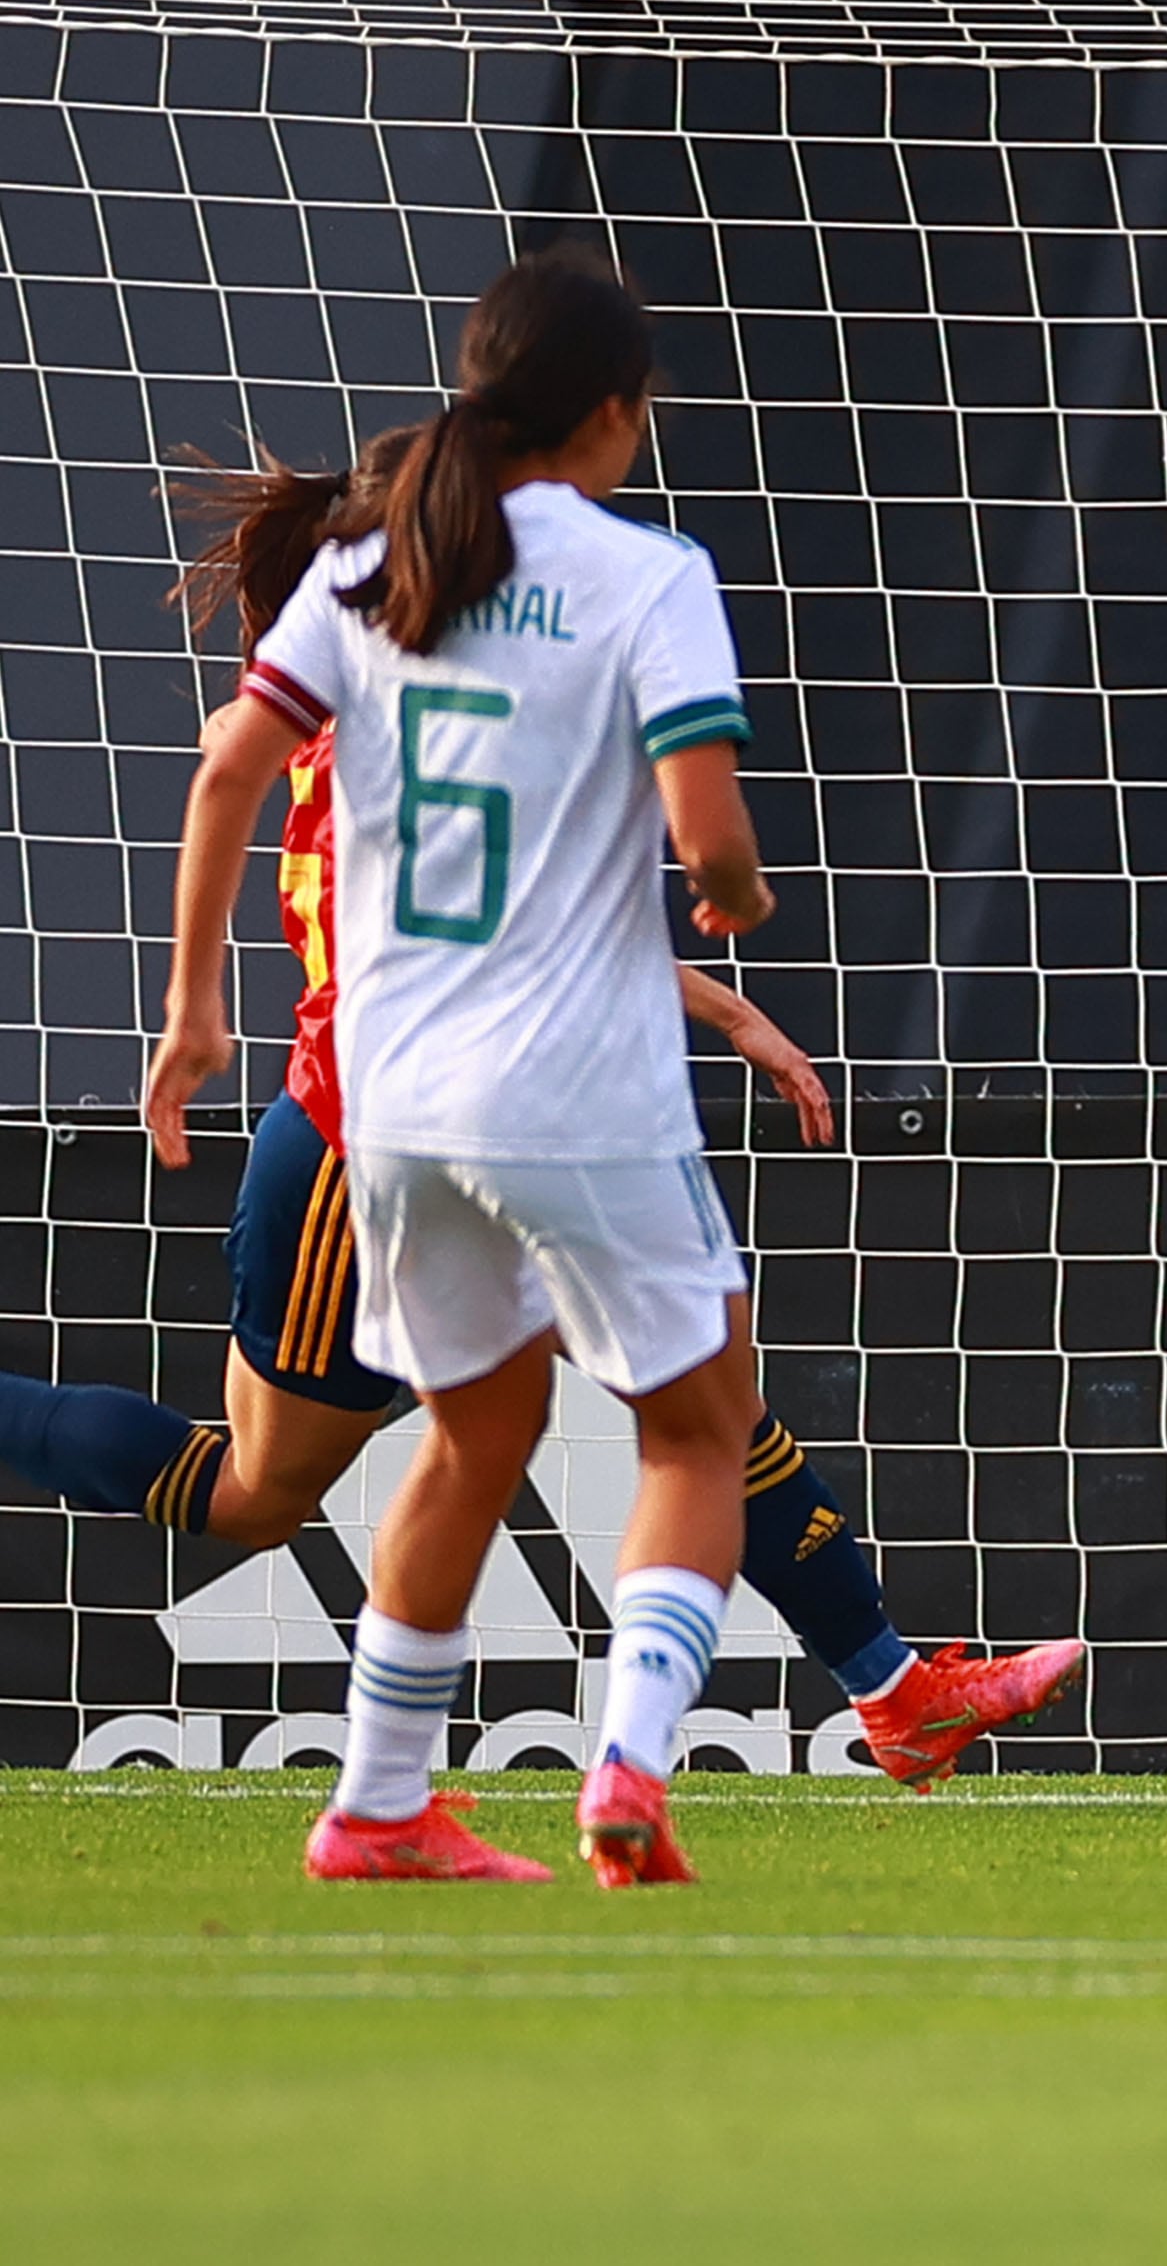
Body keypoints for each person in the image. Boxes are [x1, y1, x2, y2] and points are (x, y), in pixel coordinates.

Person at [6, 438, 1079, 1801]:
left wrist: (718, 1006)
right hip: (366, 1144)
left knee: (697, 1398)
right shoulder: (379, 711)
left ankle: (887, 1686)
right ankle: (810, 1704)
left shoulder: (389, 690)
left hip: (464, 1107)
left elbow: (511, 915)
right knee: (261, 1490)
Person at [144, 252, 785, 1882]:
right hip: (580, 1087)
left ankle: (374, 1802)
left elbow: (233, 763)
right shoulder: (648, 576)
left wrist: (195, 1003)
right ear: (616, 416)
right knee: (701, 1429)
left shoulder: (370, 558)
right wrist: (735, 892)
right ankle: (628, 1765)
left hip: (398, 1102)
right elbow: (707, 838)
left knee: (473, 1431)